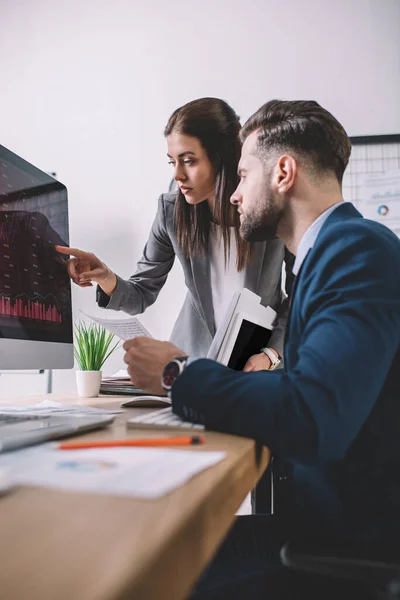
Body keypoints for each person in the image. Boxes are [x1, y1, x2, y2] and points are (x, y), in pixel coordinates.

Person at [122, 99, 400, 599]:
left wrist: (177, 373)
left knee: (146, 574)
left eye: (245, 174)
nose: (234, 195)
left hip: (340, 547)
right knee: (151, 545)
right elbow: (310, 385)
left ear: (284, 173)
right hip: (319, 523)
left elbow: (314, 416)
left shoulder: (356, 252)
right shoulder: (322, 258)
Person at [57, 97, 291, 369]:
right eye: (172, 162)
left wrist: (271, 354)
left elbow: (301, 297)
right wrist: (106, 277)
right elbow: (141, 293)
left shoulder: (272, 210)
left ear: (222, 158)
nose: (178, 175)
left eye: (189, 161)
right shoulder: (171, 213)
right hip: (193, 365)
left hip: (261, 366)